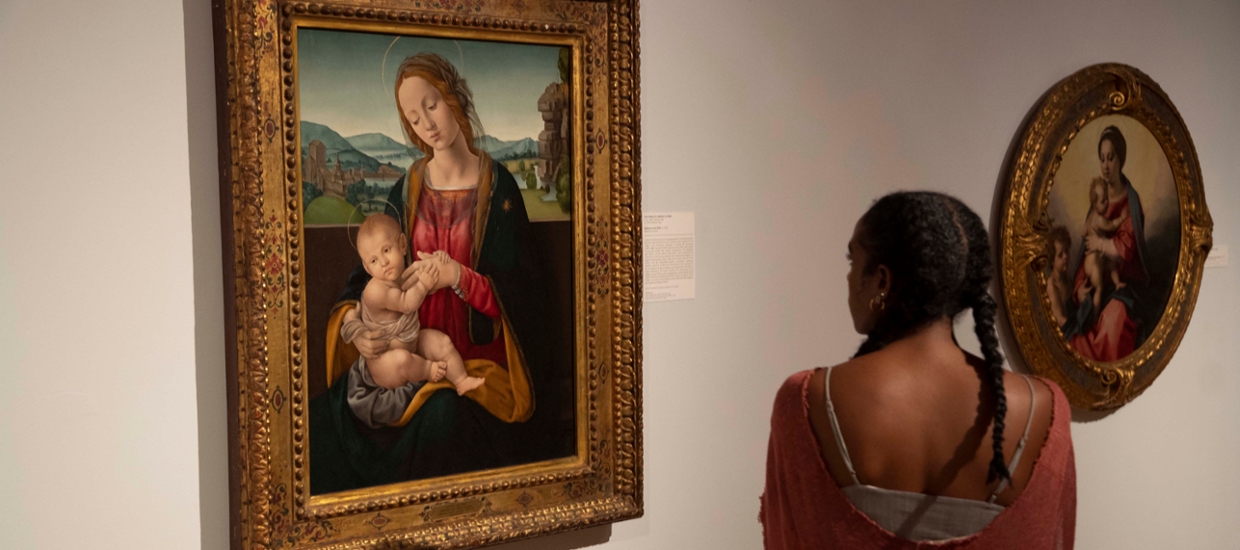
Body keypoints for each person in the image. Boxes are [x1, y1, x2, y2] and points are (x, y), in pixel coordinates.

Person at [761, 192, 1076, 548]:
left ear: (882, 280)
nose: (849, 277)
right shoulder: (1044, 409)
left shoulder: (808, 401)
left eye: (853, 259)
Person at [309, 52, 552, 494]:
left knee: (443, 422)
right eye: (414, 118)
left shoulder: (499, 187)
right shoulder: (408, 187)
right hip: (408, 358)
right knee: (323, 424)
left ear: (454, 95)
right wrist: (352, 326)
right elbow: (368, 275)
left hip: (473, 365)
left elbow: (524, 294)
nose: (428, 125)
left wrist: (458, 277)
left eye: (432, 104)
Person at [342, 213, 484, 396]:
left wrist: (440, 259)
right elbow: (407, 303)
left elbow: (417, 274)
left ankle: (462, 380)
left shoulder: (397, 278)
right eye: (374, 261)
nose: (384, 263)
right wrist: (424, 284)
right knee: (402, 359)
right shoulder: (376, 291)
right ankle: (428, 370)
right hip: (387, 364)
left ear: (402, 245)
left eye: (386, 250)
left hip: (412, 344)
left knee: (442, 343)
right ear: (368, 268)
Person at [1062, 125, 1149, 360]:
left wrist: (1101, 244)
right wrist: (1079, 287)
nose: (1106, 165)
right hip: (1099, 281)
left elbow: (1125, 250)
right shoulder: (1098, 202)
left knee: (1112, 323)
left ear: (1121, 159)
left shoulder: (1131, 201)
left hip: (1124, 286)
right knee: (1080, 328)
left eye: (1111, 158)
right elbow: (1086, 254)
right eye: (1102, 159)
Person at [1081, 177, 1128, 312]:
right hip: (1094, 263)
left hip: (1089, 261)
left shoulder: (1091, 217)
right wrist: (1122, 218)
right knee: (1099, 289)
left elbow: (1083, 231)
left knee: (1111, 264)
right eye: (1103, 201)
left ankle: (1117, 283)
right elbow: (1112, 225)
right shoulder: (1100, 219)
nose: (1107, 202)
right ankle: (1095, 316)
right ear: (1095, 205)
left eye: (1107, 198)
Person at [1046, 225, 1072, 327]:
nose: (1065, 256)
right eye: (1060, 255)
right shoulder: (1052, 286)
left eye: (1066, 251)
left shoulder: (1066, 278)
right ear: (1052, 260)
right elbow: (1060, 319)